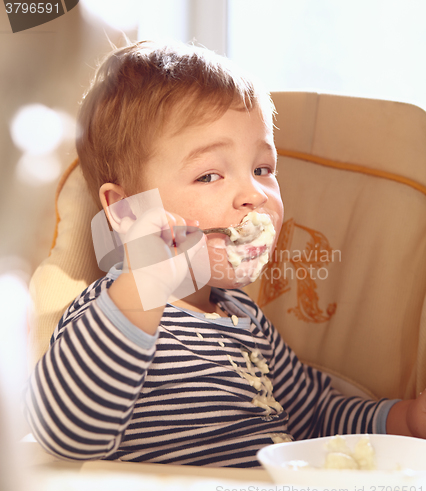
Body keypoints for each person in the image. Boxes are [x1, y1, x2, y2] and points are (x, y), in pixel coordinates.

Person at [23, 40, 426, 468]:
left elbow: (313, 419)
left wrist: (403, 419)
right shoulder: (117, 311)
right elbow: (59, 428)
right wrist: (142, 285)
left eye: (262, 169)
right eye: (209, 175)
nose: (254, 194)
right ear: (125, 210)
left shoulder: (245, 318)